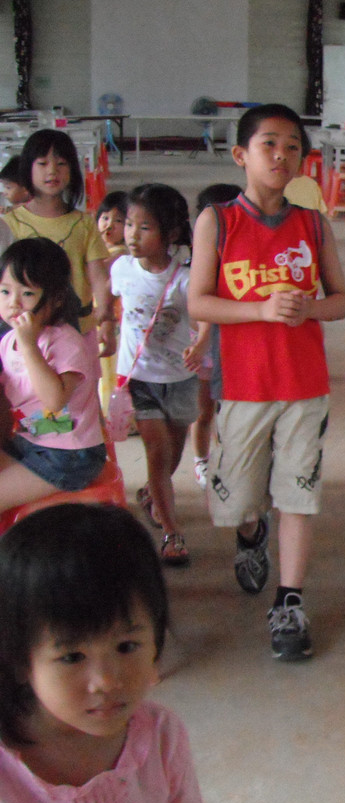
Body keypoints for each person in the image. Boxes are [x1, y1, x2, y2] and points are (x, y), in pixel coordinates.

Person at [188, 104, 345, 661]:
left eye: (291, 146)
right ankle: (250, 533)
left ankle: (289, 601)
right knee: (241, 499)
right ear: (241, 155)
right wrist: (259, 309)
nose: (281, 155)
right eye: (268, 144)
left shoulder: (313, 224)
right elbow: (199, 301)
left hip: (305, 385)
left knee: (298, 494)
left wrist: (310, 307)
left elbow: (341, 301)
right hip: (243, 386)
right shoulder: (217, 221)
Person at [0, 503, 210, 803]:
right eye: (72, 657)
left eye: (127, 646)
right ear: (18, 662)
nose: (106, 681)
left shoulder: (162, 739)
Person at [113, 183, 207, 569]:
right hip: (138, 377)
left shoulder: (186, 277)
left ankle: (153, 492)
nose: (132, 235)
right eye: (128, 224)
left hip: (180, 377)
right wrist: (102, 327)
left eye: (144, 227)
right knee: (156, 449)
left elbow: (205, 317)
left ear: (170, 234)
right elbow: (111, 303)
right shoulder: (121, 268)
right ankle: (172, 532)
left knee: (172, 452)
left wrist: (201, 346)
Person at [0, 238, 105, 514]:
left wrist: (29, 347)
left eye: (27, 294)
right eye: (5, 291)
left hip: (69, 456)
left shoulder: (65, 342)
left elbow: (55, 401)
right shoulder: (8, 340)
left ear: (56, 299)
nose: (13, 303)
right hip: (29, 441)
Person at [4, 130, 115, 357]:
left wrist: (106, 317)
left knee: (80, 378)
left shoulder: (83, 223)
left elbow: (97, 275)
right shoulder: (11, 223)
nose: (52, 171)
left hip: (79, 328)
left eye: (62, 163)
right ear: (27, 169)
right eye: (42, 163)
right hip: (26, 330)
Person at [189, 184, 242, 491]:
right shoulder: (197, 261)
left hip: (235, 350)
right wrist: (200, 342)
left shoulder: (244, 258)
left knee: (234, 412)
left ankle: (231, 461)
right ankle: (201, 460)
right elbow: (199, 307)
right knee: (204, 411)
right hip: (205, 351)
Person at [95, 189, 130, 410]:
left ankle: (113, 411)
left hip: (114, 318)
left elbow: (97, 269)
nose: (109, 225)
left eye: (118, 221)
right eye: (105, 217)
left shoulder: (120, 254)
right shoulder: (101, 251)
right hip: (99, 315)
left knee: (111, 365)